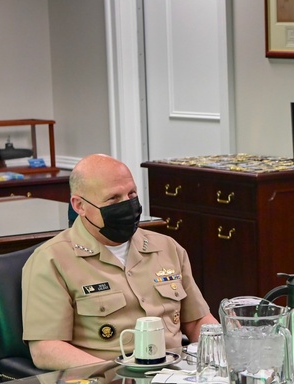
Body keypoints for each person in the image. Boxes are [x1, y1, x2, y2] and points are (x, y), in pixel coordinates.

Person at [22, 154, 217, 370]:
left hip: (176, 379)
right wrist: (114, 375)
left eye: (131, 193)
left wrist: (224, 355)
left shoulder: (167, 247)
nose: (127, 204)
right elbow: (46, 349)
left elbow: (198, 321)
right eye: (113, 199)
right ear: (79, 206)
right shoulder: (51, 260)